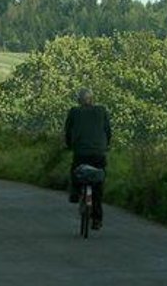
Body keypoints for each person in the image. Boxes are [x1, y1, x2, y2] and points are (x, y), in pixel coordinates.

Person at [65, 88, 112, 230]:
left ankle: (75, 192)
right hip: (99, 153)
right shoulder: (102, 111)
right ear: (92, 99)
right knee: (98, 185)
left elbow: (68, 132)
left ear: (79, 101)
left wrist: (69, 145)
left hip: (81, 153)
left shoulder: (74, 112)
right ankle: (97, 220)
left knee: (75, 169)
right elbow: (108, 131)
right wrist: (106, 145)